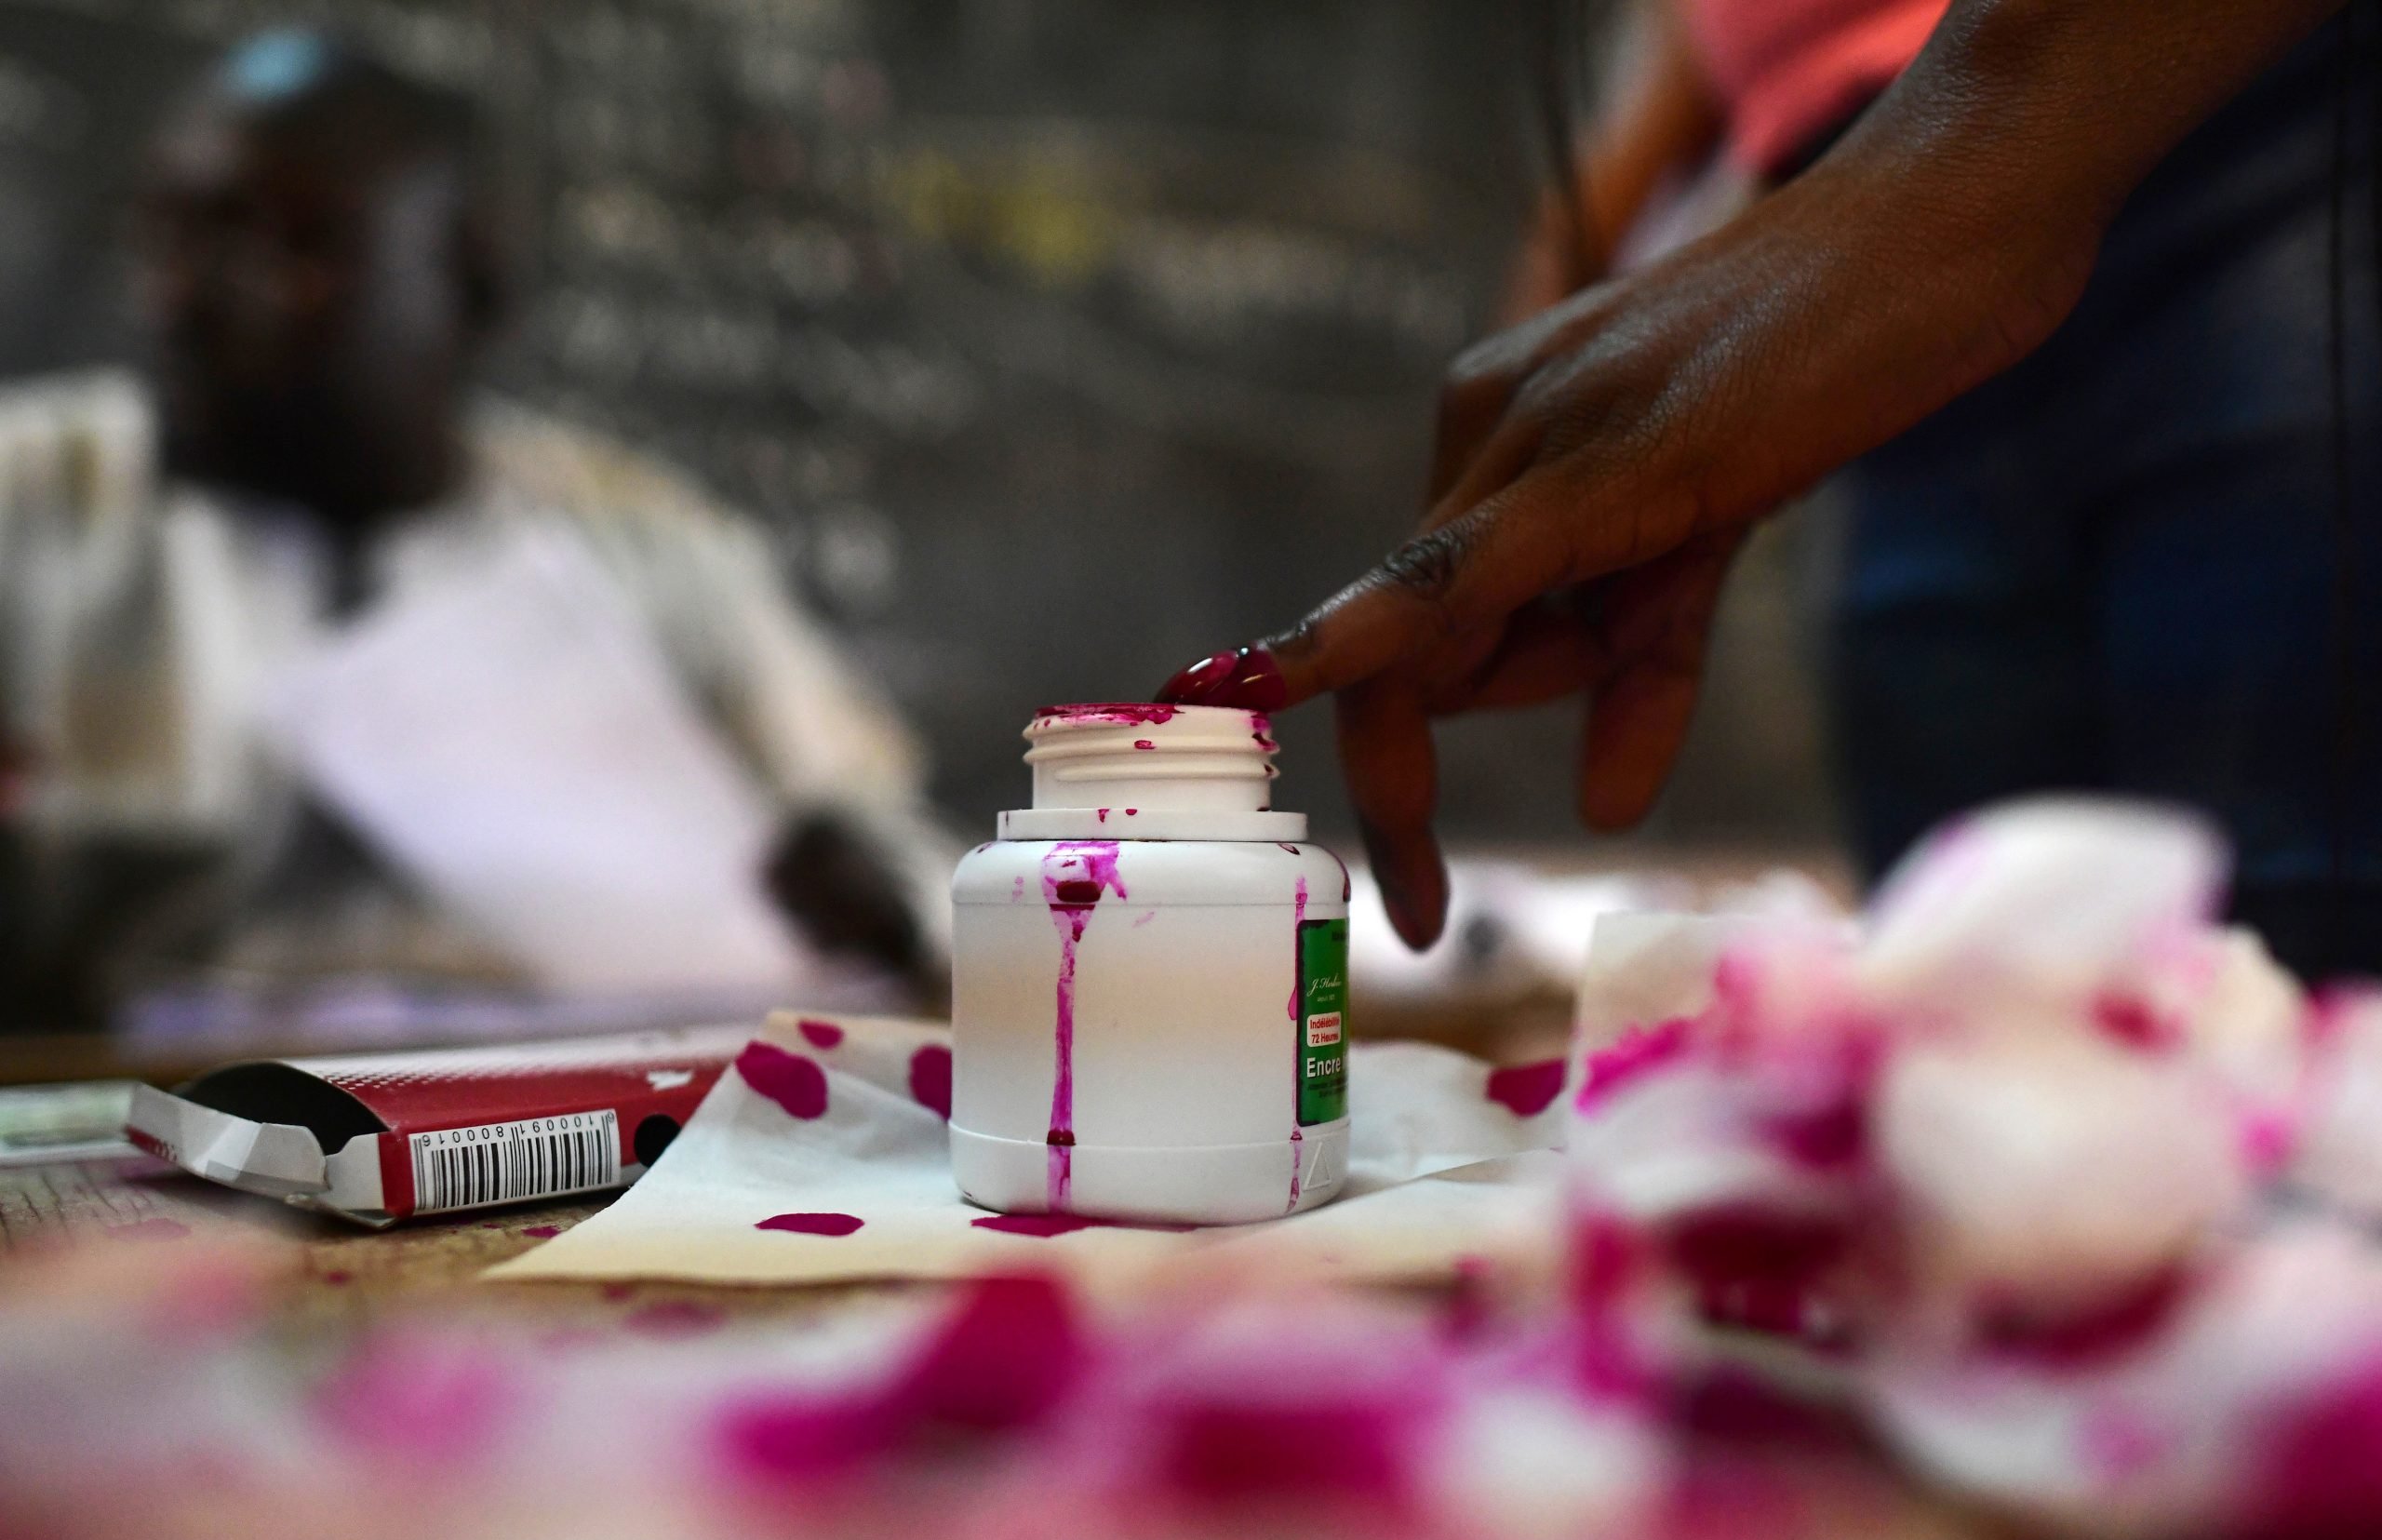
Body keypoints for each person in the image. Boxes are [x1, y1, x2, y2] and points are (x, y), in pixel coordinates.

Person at [1158, 0, 2375, 978]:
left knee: (2304, 999)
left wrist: (1950, 154)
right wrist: (1610, 213)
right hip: (1876, 215)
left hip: (2210, 108)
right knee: (1979, 1024)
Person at [0, 32, 947, 1036]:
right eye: (168, 235)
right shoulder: (35, 500)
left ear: (471, 279)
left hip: (565, 1116)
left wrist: (873, 891)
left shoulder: (644, 542)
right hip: (122, 1107)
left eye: (288, 245)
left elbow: (898, 843)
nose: (182, 296)